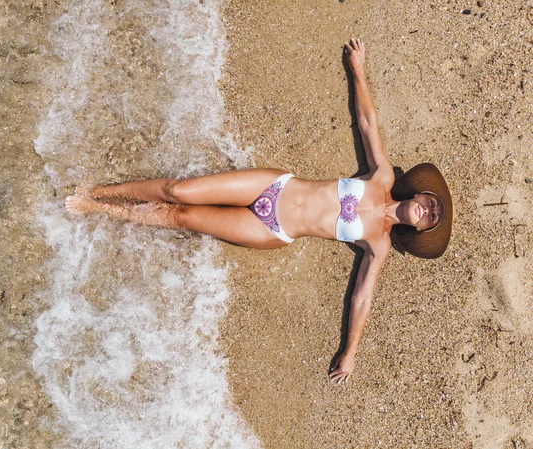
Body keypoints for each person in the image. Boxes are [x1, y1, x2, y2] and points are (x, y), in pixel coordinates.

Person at [65, 38, 454, 384]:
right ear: (420, 193)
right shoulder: (382, 176)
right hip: (275, 186)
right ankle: (101, 190)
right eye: (432, 203)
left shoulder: (379, 244)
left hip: (271, 229)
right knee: (177, 189)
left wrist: (349, 352)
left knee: (183, 216)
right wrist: (359, 71)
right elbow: (368, 123)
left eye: (432, 218)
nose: (428, 211)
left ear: (421, 230)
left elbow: (362, 298)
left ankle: (99, 210)